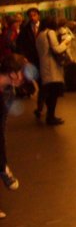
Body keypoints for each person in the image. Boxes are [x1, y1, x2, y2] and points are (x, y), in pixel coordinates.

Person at [0, 54, 31, 218]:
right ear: (12, 73)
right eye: (22, 74)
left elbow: (2, 124)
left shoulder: (9, 92)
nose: (25, 78)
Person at [35, 16, 73, 125]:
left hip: (44, 66)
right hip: (52, 67)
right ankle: (50, 117)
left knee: (48, 92)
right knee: (53, 94)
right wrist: (66, 42)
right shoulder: (50, 32)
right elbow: (57, 49)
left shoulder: (40, 34)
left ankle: (46, 113)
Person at [15, 8, 40, 99]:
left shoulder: (43, 27)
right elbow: (20, 43)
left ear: (38, 15)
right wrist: (23, 56)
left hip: (42, 55)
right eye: (30, 16)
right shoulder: (26, 28)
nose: (32, 18)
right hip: (31, 56)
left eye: (34, 15)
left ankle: (42, 94)